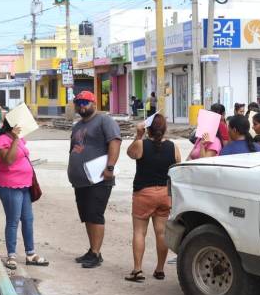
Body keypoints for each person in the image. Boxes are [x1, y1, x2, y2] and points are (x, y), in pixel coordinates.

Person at [67, 90, 122, 269]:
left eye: (85, 102)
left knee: (95, 214)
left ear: (94, 104)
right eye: (79, 102)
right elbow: (73, 149)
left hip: (99, 179)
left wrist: (110, 167)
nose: (82, 105)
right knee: (87, 216)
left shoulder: (104, 121)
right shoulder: (77, 126)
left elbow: (115, 142)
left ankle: (96, 254)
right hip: (81, 181)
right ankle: (92, 250)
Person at [125, 114, 181, 282]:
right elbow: (177, 167)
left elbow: (130, 153)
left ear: (148, 129)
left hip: (144, 193)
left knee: (139, 232)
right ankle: (159, 269)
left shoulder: (141, 145)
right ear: (165, 129)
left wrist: (138, 135)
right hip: (165, 194)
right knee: (161, 233)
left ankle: (137, 270)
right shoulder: (173, 147)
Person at [0, 119, 48, 270]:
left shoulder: (19, 139)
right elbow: (9, 160)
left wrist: (17, 138)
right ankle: (11, 255)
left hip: (25, 185)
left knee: (28, 219)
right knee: (13, 220)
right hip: (9, 186)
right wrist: (15, 139)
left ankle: (30, 254)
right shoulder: (2, 140)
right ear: (13, 126)